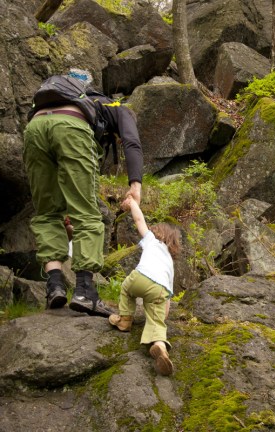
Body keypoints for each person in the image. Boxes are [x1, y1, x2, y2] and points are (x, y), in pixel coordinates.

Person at [23, 68, 143, 317]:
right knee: (87, 213)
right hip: (71, 126)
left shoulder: (59, 97)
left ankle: (54, 285)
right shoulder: (118, 106)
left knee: (46, 212)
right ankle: (85, 292)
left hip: (34, 128)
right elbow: (132, 142)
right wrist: (135, 185)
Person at [109, 197, 180, 376]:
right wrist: (161, 315)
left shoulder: (152, 239)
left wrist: (132, 203)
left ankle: (125, 320)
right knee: (156, 321)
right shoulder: (170, 263)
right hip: (160, 289)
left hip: (141, 277)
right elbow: (168, 297)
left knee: (126, 288)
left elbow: (139, 220)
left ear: (158, 233)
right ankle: (160, 346)